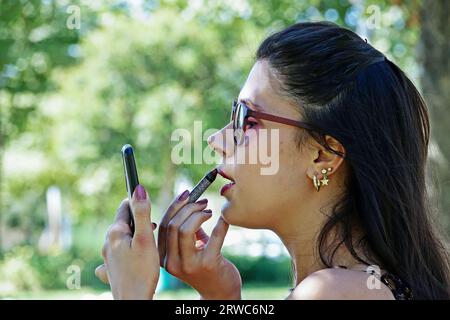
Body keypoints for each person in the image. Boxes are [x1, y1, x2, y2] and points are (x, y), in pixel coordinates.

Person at [95, 22, 450, 300]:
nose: (216, 140)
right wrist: (221, 295)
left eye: (247, 120)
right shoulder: (357, 284)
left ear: (322, 155)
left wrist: (131, 293)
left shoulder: (330, 292)